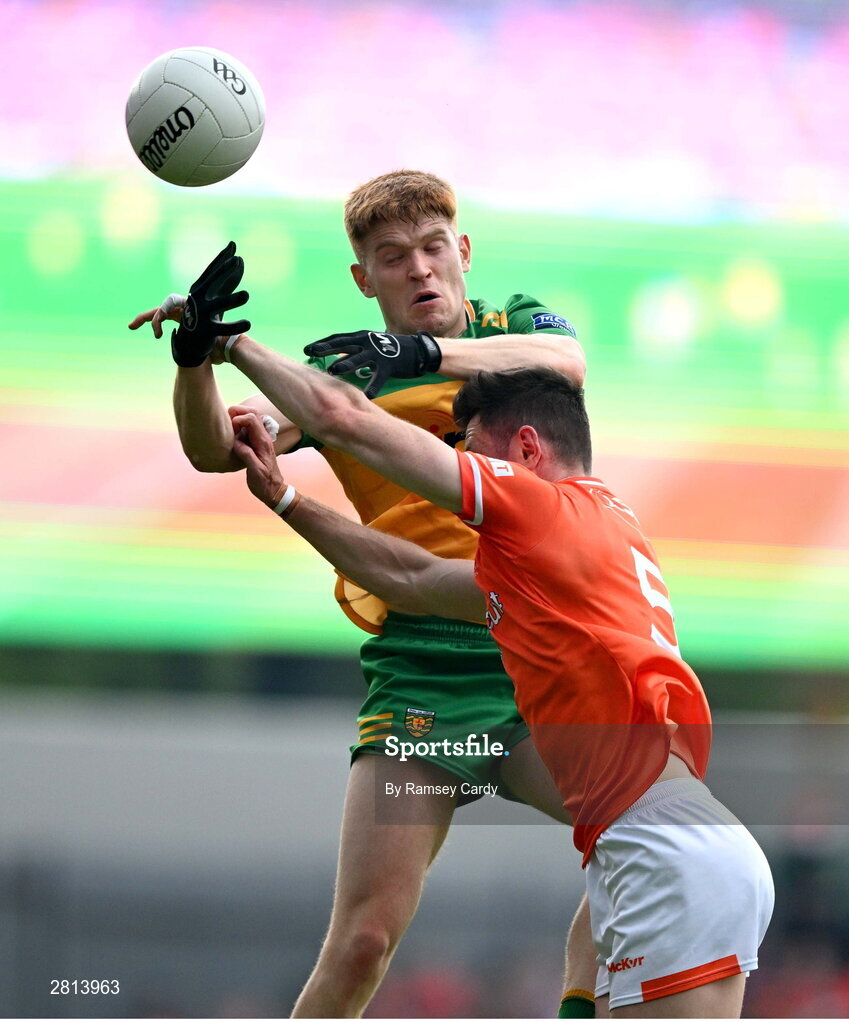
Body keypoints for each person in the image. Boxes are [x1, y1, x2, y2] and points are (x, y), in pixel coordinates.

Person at [128, 171, 597, 1018]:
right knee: (362, 943)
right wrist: (196, 354)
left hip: (546, 666)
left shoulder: (517, 326)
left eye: (429, 249)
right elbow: (216, 450)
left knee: (646, 837)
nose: (417, 269)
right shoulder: (338, 377)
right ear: (363, 278)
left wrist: (420, 355)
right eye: (391, 257)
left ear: (461, 252)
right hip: (421, 682)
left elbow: (562, 362)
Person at [221, 360, 774, 1019]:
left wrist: (231, 344)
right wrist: (286, 498)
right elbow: (414, 578)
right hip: (663, 846)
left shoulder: (543, 510)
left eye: (472, 449)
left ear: (526, 450)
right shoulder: (580, 542)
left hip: (665, 853)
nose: (460, 466)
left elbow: (347, 418)